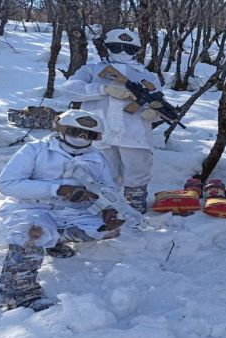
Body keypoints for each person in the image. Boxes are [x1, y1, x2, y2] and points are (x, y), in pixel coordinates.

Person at [0, 110, 125, 311]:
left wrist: (108, 210)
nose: (82, 138)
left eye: (88, 135)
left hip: (70, 211)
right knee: (32, 234)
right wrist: (56, 189)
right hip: (31, 207)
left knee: (107, 229)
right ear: (60, 129)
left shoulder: (96, 158)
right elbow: (7, 184)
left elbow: (107, 189)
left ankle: (53, 239)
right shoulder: (35, 150)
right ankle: (19, 293)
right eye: (75, 131)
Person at [62, 28, 163, 213]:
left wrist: (155, 114)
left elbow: (158, 103)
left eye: (129, 49)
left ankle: (134, 209)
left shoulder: (148, 76)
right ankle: (106, 208)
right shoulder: (92, 70)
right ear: (108, 47)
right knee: (103, 174)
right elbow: (69, 89)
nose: (123, 52)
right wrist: (103, 89)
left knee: (137, 173)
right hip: (100, 133)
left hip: (135, 134)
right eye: (117, 47)